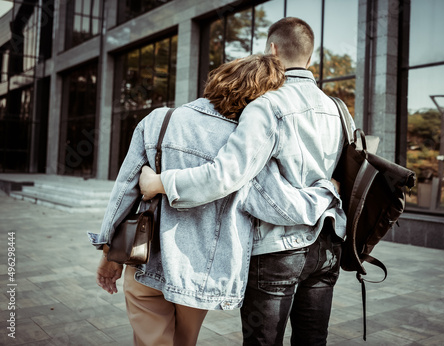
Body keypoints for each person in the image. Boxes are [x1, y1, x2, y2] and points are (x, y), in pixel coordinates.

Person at [89, 54, 339, 346]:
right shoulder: (246, 148)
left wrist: (108, 253)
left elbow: (124, 193)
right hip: (200, 274)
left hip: (145, 259)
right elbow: (278, 206)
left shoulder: (160, 120)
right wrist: (327, 191)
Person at [139, 17, 356, 345]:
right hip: (328, 246)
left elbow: (224, 176)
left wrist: (161, 183)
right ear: (310, 58)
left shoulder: (268, 105)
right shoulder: (338, 109)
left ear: (272, 49)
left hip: (278, 250)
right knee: (313, 340)